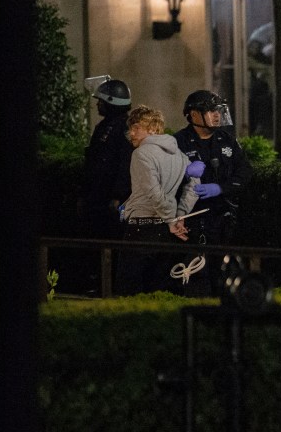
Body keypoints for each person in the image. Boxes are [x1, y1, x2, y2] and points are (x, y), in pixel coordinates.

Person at [174, 90, 254, 296]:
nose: (216, 115)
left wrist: (221, 188)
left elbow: (245, 172)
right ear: (193, 115)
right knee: (197, 279)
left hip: (224, 219)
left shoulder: (226, 139)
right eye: (210, 110)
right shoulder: (179, 142)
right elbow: (168, 178)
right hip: (194, 221)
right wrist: (185, 173)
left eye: (218, 110)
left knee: (226, 278)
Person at [115, 105, 198, 295]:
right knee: (158, 289)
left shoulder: (141, 154)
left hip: (140, 228)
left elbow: (153, 192)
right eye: (131, 128)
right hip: (164, 232)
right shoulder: (179, 155)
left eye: (136, 128)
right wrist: (180, 214)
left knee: (128, 291)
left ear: (153, 128)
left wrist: (171, 220)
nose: (131, 133)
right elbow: (195, 184)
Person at [78, 76, 133, 240]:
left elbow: (125, 164)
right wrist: (84, 195)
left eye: (101, 101)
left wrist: (118, 195)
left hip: (112, 201)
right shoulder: (103, 127)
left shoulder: (125, 128)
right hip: (97, 197)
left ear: (111, 102)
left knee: (112, 240)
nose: (97, 104)